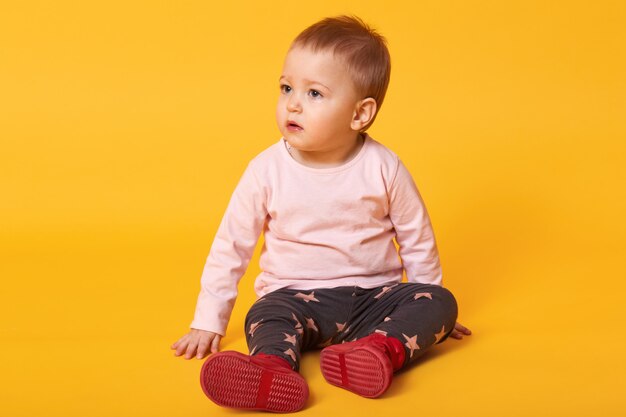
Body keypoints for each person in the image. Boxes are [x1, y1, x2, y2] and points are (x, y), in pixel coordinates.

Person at [171, 15, 472, 412]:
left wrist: (430, 312)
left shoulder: (384, 167)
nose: (292, 102)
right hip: (294, 299)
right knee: (265, 313)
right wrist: (209, 319)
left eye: (314, 93)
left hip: (374, 302)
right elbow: (231, 246)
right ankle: (272, 367)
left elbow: (417, 238)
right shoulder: (266, 170)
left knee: (441, 301)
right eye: (286, 87)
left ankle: (380, 349)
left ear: (360, 114)